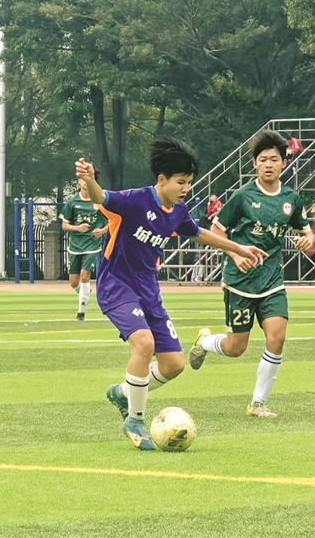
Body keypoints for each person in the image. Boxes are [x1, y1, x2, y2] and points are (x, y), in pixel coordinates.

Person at [74, 137, 267, 451]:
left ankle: (124, 392)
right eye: (181, 182)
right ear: (161, 180)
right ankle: (135, 419)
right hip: (117, 285)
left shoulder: (177, 210)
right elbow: (102, 198)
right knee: (144, 344)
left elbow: (199, 233)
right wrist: (90, 180)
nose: (186, 188)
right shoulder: (134, 201)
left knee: (174, 364)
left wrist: (236, 249)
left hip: (148, 288)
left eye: (189, 182)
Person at [189, 130, 315, 418]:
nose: (269, 164)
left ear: (283, 163)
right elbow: (216, 232)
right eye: (263, 160)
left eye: (274, 159)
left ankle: (257, 403)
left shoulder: (291, 199)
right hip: (239, 280)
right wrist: (235, 253)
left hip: (271, 279)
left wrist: (306, 239)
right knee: (236, 348)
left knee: (277, 338)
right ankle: (205, 342)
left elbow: (304, 229)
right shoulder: (242, 196)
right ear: (254, 165)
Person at [59, 174, 109, 321]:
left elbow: (112, 220)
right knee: (74, 282)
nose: (85, 182)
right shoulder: (72, 202)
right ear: (79, 182)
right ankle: (85, 293)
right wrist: (77, 228)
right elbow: (64, 225)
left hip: (92, 245)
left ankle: (81, 313)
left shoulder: (100, 201)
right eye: (82, 179)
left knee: (84, 276)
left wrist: (102, 231)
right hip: (75, 246)